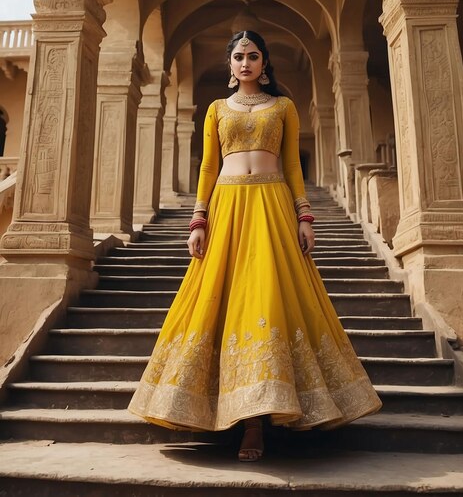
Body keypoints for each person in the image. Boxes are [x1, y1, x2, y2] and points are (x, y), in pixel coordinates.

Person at [128, 30, 382, 461]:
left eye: (253, 56)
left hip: (272, 208)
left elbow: (291, 168)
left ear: (265, 65)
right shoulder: (215, 109)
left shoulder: (283, 107)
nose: (245, 63)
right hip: (227, 210)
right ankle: (228, 412)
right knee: (220, 304)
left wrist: (304, 216)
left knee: (267, 303)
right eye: (239, 57)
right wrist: (198, 219)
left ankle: (257, 425)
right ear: (230, 66)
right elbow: (208, 166)